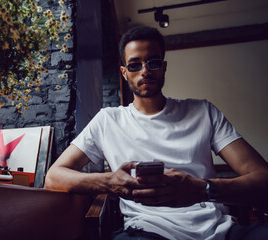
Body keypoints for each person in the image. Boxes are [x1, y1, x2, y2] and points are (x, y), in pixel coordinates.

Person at [45, 26, 268, 240]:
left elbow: (263, 177)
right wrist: (109, 182)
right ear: (124, 73)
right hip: (146, 231)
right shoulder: (108, 120)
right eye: (134, 65)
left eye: (153, 62)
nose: (145, 71)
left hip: (218, 230)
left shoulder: (203, 111)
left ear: (164, 67)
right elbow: (54, 177)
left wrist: (203, 188)